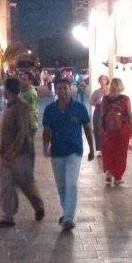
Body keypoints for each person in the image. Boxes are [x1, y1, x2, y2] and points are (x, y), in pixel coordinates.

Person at [42, 76, 95, 232]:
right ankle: (66, 213)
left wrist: (92, 148)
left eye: (65, 88)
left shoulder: (79, 108)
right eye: (59, 88)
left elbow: (86, 128)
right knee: (61, 185)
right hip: (57, 151)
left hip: (74, 150)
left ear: (70, 89)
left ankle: (69, 218)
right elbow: (46, 131)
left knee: (71, 183)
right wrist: (45, 147)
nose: (62, 91)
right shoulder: (50, 109)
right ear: (56, 90)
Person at [0, 77, 45, 229]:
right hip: (7, 154)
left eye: (4, 88)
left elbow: (23, 131)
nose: (2, 90)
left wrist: (14, 149)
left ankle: (38, 206)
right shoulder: (9, 106)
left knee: (26, 183)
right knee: (6, 184)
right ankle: (8, 216)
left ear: (8, 90)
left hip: (21, 154)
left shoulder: (21, 107)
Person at [100, 77, 132, 186]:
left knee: (109, 151)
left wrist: (101, 128)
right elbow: (129, 114)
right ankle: (118, 177)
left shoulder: (105, 99)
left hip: (108, 130)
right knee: (120, 153)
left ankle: (109, 174)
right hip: (122, 130)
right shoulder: (125, 99)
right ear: (121, 86)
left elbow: (102, 115)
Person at [18, 69, 39, 145]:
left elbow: (31, 110)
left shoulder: (31, 93)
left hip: (29, 125)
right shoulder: (23, 90)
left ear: (30, 81)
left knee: (26, 148)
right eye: (21, 78)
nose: (21, 81)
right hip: (23, 124)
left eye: (24, 79)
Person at [90, 74, 110, 154]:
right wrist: (97, 103)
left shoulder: (110, 91)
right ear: (99, 81)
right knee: (98, 129)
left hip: (108, 112)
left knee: (108, 130)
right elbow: (91, 102)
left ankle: (108, 148)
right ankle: (101, 149)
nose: (103, 81)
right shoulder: (96, 92)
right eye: (101, 79)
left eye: (104, 79)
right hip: (98, 112)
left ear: (107, 81)